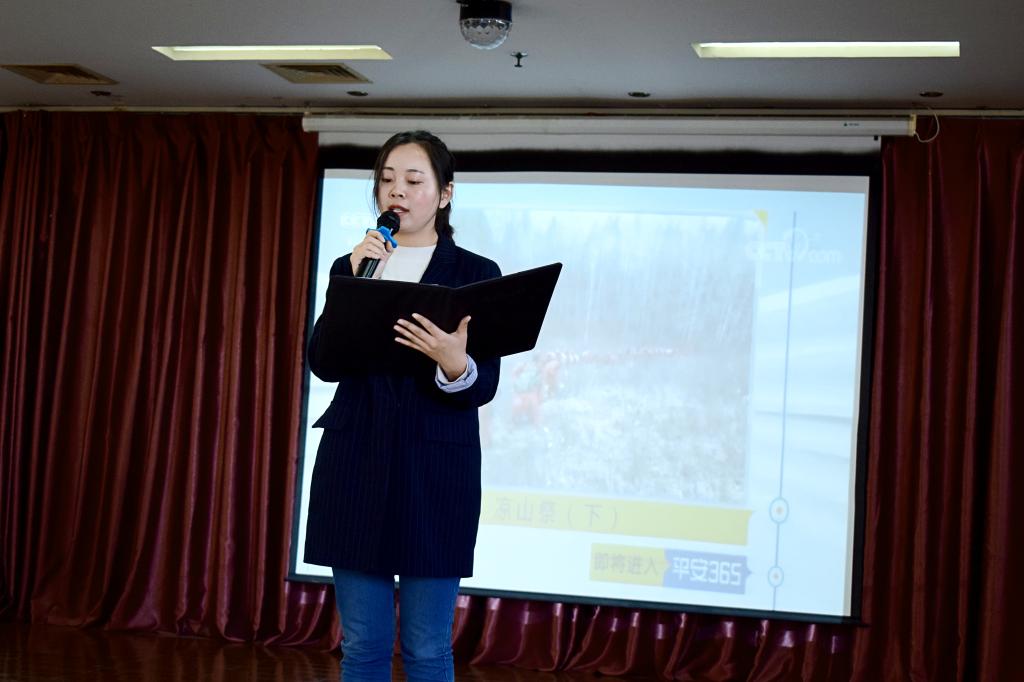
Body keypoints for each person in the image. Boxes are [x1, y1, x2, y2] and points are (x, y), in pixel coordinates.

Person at [304, 130, 501, 682]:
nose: (398, 191)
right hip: (355, 462)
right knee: (362, 646)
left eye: (414, 180)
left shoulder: (475, 274)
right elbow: (324, 363)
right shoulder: (353, 266)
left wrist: (454, 363)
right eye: (387, 180)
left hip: (435, 471)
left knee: (427, 647)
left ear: (445, 194)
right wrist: (351, 279)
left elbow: (482, 385)